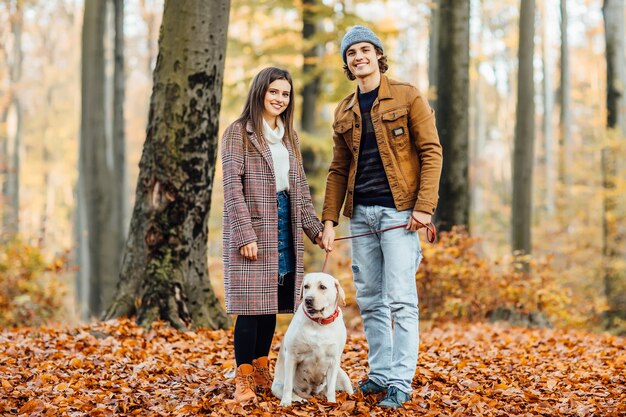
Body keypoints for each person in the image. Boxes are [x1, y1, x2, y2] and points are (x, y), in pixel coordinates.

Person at [321, 25, 443, 408]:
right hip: (359, 217)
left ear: (377, 54)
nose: (358, 57)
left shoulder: (407, 96)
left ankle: (401, 381)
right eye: (350, 53)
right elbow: (338, 170)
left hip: (400, 214)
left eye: (364, 50)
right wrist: (328, 221)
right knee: (371, 299)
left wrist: (423, 208)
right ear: (347, 62)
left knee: (402, 300)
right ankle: (380, 374)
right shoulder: (343, 110)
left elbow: (431, 151)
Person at [221, 67, 324, 403]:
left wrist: (316, 232)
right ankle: (244, 377)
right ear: (260, 92)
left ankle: (263, 369)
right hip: (254, 225)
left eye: (285, 93)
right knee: (250, 308)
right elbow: (232, 187)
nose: (280, 99)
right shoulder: (239, 132)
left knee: (269, 305)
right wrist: (244, 235)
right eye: (274, 92)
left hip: (285, 224)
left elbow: (300, 190)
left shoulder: (288, 135)